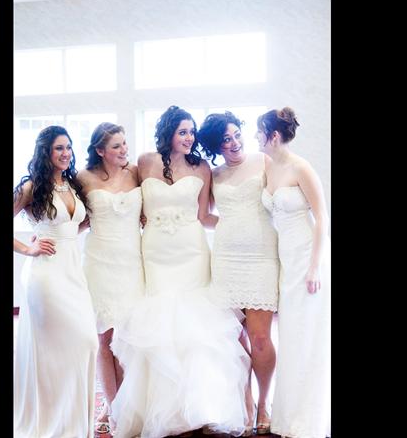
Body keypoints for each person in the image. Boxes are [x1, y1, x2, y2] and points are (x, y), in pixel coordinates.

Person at [110, 105, 250, 438]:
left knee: (197, 328)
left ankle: (201, 407)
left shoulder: (201, 167)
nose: (189, 138)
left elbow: (205, 216)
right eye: (182, 131)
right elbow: (126, 199)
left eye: (191, 132)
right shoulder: (144, 162)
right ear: (169, 132)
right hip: (156, 252)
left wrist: (243, 224)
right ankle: (164, 411)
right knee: (160, 325)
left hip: (191, 251)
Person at [13, 125, 99, 438]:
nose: (66, 154)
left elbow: (76, 226)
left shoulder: (73, 185)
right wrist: (29, 248)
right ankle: (52, 421)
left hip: (73, 272)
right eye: (59, 148)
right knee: (59, 348)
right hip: (45, 276)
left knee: (86, 342)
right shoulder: (32, 187)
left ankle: (71, 420)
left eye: (68, 147)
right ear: (46, 153)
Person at [198, 111, 280, 435]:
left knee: (260, 339)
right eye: (225, 140)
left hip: (261, 257)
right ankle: (243, 402)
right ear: (216, 146)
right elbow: (203, 216)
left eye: (235, 135)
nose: (233, 143)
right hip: (227, 260)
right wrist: (230, 225)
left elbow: (281, 200)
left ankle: (264, 403)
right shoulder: (214, 175)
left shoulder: (264, 161)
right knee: (232, 339)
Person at [257, 107, 331, 438]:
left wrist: (315, 267)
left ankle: (309, 420)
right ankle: (288, 416)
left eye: (259, 132)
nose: (255, 138)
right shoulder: (269, 167)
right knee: (289, 336)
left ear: (273, 136)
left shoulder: (302, 168)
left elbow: (323, 220)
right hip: (284, 260)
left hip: (306, 259)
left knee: (308, 337)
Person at [77, 122, 145, 435]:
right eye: (116, 146)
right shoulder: (83, 178)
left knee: (129, 337)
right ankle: (112, 405)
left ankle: (128, 404)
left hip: (132, 263)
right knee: (104, 337)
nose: (124, 150)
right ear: (100, 150)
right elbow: (76, 218)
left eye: (124, 143)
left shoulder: (136, 173)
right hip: (100, 263)